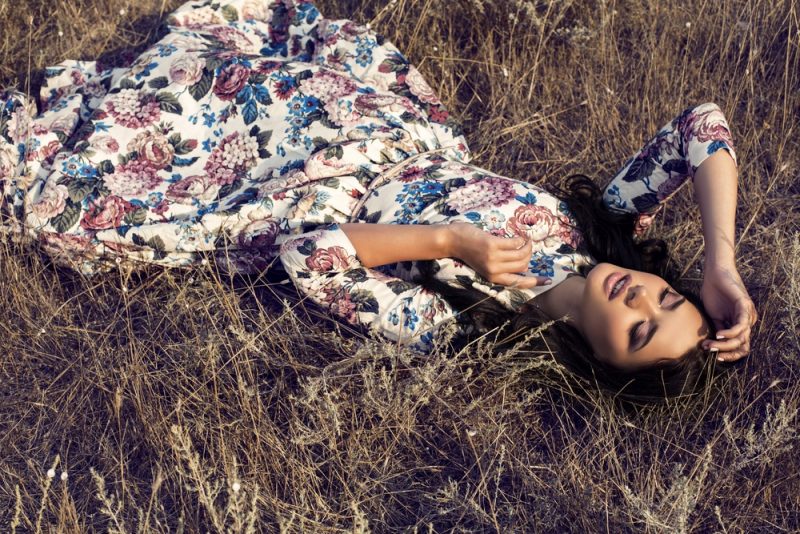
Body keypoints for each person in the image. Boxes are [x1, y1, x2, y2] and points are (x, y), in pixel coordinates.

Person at [0, 0, 756, 401]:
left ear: (596, 360)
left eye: (637, 331)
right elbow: (703, 127)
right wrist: (720, 263)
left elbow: (315, 255)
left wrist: (451, 245)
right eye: (665, 298)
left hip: (304, 185)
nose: (642, 299)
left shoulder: (465, 327)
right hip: (365, 125)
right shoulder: (597, 230)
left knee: (111, 161)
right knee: (217, 65)